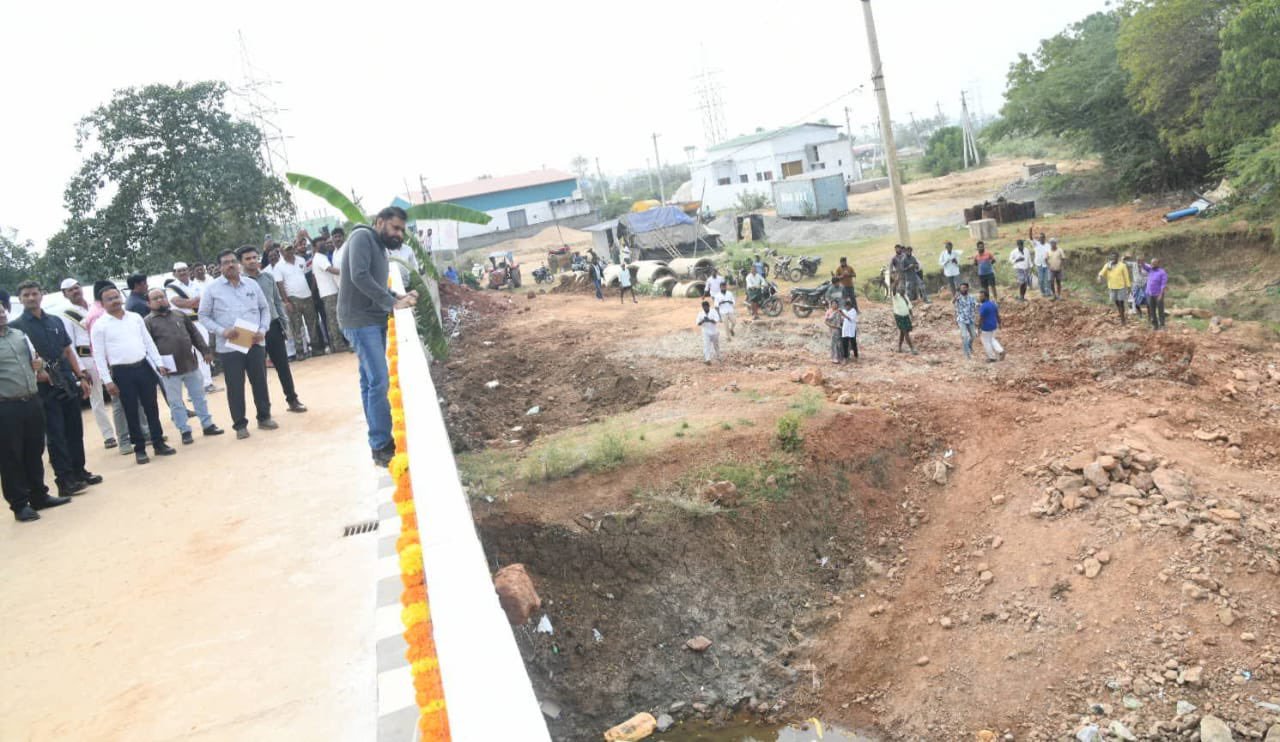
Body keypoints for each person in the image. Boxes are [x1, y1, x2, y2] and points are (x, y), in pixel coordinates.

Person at [338, 206, 419, 467]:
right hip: (360, 321)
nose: (399, 235)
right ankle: (382, 444)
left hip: (372, 318)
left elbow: (376, 282)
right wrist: (392, 303)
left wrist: (397, 296)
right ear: (380, 221)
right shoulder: (362, 237)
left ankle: (377, 440)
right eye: (395, 228)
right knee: (379, 381)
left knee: (370, 381)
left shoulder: (379, 245)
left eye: (402, 231)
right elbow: (359, 276)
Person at [12, 281, 100, 496]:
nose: (31, 298)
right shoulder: (17, 327)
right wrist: (38, 373)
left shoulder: (55, 320)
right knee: (56, 434)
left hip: (66, 379)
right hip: (43, 386)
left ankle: (79, 471)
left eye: (34, 293)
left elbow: (68, 350)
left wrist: (81, 376)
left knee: (74, 430)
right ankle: (65, 480)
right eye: (26, 295)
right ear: (20, 299)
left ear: (41, 295)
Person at [0, 289, 73, 522]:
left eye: (2, 311)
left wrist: (38, 366)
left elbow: (35, 362)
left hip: (31, 399)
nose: (1, 315)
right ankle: (20, 504)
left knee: (34, 450)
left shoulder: (18, 335)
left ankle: (39, 495)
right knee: (11, 456)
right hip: (6, 406)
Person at [91, 285, 176, 464]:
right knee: (131, 411)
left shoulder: (135, 318)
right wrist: (107, 381)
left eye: (116, 297)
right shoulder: (100, 326)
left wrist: (159, 363)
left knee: (151, 407)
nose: (115, 301)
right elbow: (98, 356)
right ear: (102, 304)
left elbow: (148, 341)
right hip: (121, 372)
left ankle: (159, 443)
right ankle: (140, 449)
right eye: (109, 299)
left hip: (143, 367)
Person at [199, 248, 277, 440]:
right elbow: (203, 316)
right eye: (226, 262)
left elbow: (264, 309)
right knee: (235, 386)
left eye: (233, 261)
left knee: (260, 381)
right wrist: (222, 331)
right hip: (230, 346)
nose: (231, 265)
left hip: (254, 342)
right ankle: (240, 425)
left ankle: (264, 417)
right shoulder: (212, 289)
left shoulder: (251, 284)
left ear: (238, 263)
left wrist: (263, 329)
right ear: (219, 267)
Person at [144, 288, 224, 444]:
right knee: (175, 402)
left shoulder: (179, 315)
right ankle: (184, 430)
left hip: (190, 364)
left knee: (199, 397)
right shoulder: (148, 322)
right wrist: (157, 366)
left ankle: (207, 425)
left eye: (162, 297)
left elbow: (194, 334)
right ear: (149, 303)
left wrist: (205, 351)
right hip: (169, 370)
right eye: (155, 298)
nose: (160, 300)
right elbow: (148, 346)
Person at [239, 245, 308, 413]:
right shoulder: (239, 283)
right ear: (241, 262)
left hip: (273, 326)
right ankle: (264, 412)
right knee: (257, 373)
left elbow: (277, 302)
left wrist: (284, 325)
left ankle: (292, 400)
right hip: (250, 331)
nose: (252, 261)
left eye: (254, 257)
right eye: (247, 259)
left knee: (283, 366)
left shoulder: (268, 277)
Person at [58, 278, 116, 448]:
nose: (75, 291)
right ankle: (108, 435)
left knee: (117, 392)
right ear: (65, 294)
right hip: (87, 358)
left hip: (106, 354)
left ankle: (126, 429)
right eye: (70, 290)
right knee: (97, 398)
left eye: (76, 288)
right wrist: (81, 369)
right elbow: (69, 345)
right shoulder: (66, 315)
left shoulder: (95, 306)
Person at [167, 261, 218, 393]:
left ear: (189, 271)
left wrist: (191, 302)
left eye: (184, 269)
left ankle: (207, 383)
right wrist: (194, 301)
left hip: (199, 322)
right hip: (182, 324)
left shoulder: (197, 285)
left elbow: (205, 302)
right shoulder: (171, 288)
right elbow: (180, 303)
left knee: (204, 351)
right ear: (174, 273)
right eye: (179, 271)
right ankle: (193, 388)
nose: (182, 272)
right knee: (187, 354)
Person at [275, 243, 321, 359]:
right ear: (281, 252)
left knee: (312, 323)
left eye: (291, 249)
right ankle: (300, 351)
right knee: (296, 326)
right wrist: (286, 302)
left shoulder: (301, 260)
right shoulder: (279, 267)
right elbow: (280, 285)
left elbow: (306, 276)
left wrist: (311, 292)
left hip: (307, 295)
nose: (290, 252)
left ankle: (316, 349)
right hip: (292, 298)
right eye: (287, 250)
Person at [311, 238, 348, 353]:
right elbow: (331, 270)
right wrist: (347, 271)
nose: (324, 245)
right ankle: (338, 345)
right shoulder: (319, 258)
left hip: (328, 292)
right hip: (329, 292)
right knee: (334, 320)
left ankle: (334, 345)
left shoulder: (320, 257)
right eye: (320, 244)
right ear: (315, 247)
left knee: (332, 319)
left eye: (324, 243)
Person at [1097, 252, 1132, 324]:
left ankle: (1123, 320)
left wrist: (1128, 286)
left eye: (1115, 257)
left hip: (1121, 287)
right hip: (1112, 287)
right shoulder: (1108, 265)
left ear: (1117, 258)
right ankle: (1121, 314)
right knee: (1117, 302)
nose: (1113, 258)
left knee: (1121, 302)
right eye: (1112, 257)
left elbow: (1126, 276)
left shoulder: (1122, 265)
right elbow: (1102, 272)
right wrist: (1099, 277)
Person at [953, 281, 979, 360]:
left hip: (970, 319)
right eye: (961, 288)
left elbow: (976, 304)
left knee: (973, 335)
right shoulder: (958, 297)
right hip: (961, 319)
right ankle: (967, 354)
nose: (963, 289)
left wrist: (978, 306)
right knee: (964, 336)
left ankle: (969, 345)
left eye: (964, 288)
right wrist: (955, 297)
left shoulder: (972, 297)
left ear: (967, 288)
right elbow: (953, 302)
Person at [978, 289, 1005, 362]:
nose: (980, 298)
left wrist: (979, 328)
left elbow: (981, 318)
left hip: (986, 327)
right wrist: (999, 323)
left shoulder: (983, 306)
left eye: (981, 296)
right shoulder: (993, 304)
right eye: (979, 296)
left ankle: (992, 357)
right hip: (994, 325)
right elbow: (997, 315)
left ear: (986, 297)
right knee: (992, 339)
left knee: (986, 342)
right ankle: (1001, 351)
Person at [1144, 257, 1168, 330]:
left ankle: (1162, 325)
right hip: (1149, 293)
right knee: (1152, 310)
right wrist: (1141, 261)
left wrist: (1161, 295)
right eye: (1152, 263)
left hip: (1158, 294)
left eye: (1154, 263)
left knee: (1160, 310)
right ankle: (1155, 325)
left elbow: (1163, 285)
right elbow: (1144, 265)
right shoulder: (1150, 270)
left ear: (1158, 264)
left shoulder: (1162, 272)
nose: (1152, 265)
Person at [891, 287, 916, 354]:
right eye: (901, 288)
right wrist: (895, 282)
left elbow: (909, 306)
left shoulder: (906, 296)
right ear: (898, 291)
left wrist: (911, 315)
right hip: (899, 316)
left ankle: (899, 347)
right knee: (905, 332)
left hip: (906, 316)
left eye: (903, 288)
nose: (902, 289)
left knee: (903, 332)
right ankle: (912, 348)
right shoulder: (896, 297)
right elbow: (893, 290)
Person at [695, 300, 721, 364]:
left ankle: (718, 356)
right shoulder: (700, 313)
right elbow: (698, 323)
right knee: (706, 345)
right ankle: (707, 359)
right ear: (702, 307)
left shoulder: (713, 311)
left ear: (709, 306)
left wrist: (709, 320)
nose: (705, 308)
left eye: (706, 307)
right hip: (705, 332)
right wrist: (703, 321)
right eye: (704, 307)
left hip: (714, 331)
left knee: (716, 345)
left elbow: (716, 320)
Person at [1126, 254, 1148, 320]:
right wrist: (1124, 257)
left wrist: (1141, 270)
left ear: (1143, 260)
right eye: (1137, 260)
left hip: (1145, 285)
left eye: (1140, 260)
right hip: (1136, 285)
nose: (1138, 261)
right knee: (1135, 299)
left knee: (1147, 300)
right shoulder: (1134, 264)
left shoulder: (1147, 266)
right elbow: (1123, 262)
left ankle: (1150, 316)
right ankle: (1139, 314)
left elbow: (1149, 274)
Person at [1031, 231, 1052, 297]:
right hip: (1039, 265)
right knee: (1041, 279)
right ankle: (1043, 292)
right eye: (1039, 238)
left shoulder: (1048, 245)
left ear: (1044, 238)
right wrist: (1030, 229)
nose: (1040, 239)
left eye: (1042, 237)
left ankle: (1048, 291)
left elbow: (1050, 254)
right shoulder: (1036, 244)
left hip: (1047, 264)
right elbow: (1031, 238)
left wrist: (1048, 258)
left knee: (1048, 279)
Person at [824, 299, 844, 364]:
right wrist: (833, 326)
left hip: (839, 329)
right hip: (833, 329)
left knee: (839, 343)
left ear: (838, 304)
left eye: (836, 304)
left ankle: (840, 357)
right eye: (833, 304)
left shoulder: (839, 311)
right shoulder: (829, 311)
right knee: (834, 343)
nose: (834, 305)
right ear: (831, 305)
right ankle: (834, 358)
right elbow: (826, 321)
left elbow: (843, 320)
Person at [841, 297, 859, 361]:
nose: (846, 307)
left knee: (853, 344)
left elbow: (851, 319)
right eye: (845, 306)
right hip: (845, 329)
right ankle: (845, 357)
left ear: (850, 306)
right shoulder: (844, 311)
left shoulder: (853, 311)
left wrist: (844, 315)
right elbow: (842, 319)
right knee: (845, 344)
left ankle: (856, 356)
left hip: (851, 330)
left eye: (847, 306)